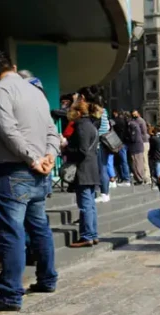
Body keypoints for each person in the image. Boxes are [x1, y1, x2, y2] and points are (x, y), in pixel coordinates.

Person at [0, 50, 58, 312]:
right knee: (39, 227)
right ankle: (48, 278)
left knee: (11, 232)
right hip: (39, 172)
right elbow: (52, 130)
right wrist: (49, 155)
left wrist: (32, 158)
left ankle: (11, 294)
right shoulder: (35, 91)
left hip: (15, 171)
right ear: (13, 66)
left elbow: (6, 130)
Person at [64, 100, 101, 248]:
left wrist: (66, 150)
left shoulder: (81, 126)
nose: (69, 114)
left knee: (85, 204)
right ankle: (92, 234)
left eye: (72, 111)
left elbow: (82, 151)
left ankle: (87, 235)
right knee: (90, 204)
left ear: (79, 112)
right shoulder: (91, 125)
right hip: (91, 169)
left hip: (84, 169)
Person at [78, 86, 112, 202]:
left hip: (100, 142)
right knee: (104, 167)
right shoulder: (105, 111)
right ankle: (104, 192)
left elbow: (100, 128)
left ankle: (104, 193)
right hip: (105, 142)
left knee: (101, 168)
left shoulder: (96, 113)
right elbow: (107, 126)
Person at [111, 110, 131, 186]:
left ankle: (125, 178)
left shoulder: (116, 121)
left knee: (121, 161)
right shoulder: (125, 121)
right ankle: (125, 177)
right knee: (123, 161)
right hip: (124, 142)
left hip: (118, 142)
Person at [127, 113, 146, 184]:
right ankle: (141, 178)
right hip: (139, 146)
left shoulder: (132, 126)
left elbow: (133, 138)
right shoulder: (135, 124)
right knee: (140, 163)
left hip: (135, 147)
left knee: (136, 164)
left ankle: (139, 179)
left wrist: (128, 137)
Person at [132, 110, 150, 183]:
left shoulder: (140, 121)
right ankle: (144, 177)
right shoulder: (138, 120)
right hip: (143, 142)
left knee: (144, 160)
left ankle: (147, 177)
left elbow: (143, 132)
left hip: (143, 142)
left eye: (135, 114)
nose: (134, 116)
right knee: (142, 160)